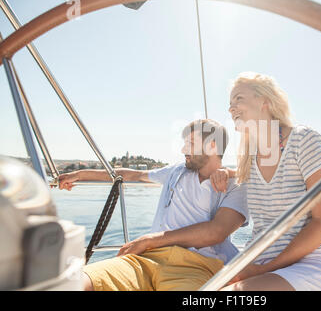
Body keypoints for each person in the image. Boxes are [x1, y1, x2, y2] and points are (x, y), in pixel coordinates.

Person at [57, 119, 249, 291]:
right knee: (72, 283)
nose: (183, 150)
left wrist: (149, 240)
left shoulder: (236, 185)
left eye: (190, 144)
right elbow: (134, 174)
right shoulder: (177, 171)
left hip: (197, 266)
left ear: (212, 146)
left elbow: (215, 232)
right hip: (148, 259)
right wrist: (80, 174)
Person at [211, 72, 321, 291]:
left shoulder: (304, 140)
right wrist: (226, 174)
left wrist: (261, 270)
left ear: (265, 102)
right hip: (263, 262)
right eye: (230, 103)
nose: (231, 108)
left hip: (312, 263)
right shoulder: (249, 157)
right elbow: (254, 177)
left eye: (239, 99)